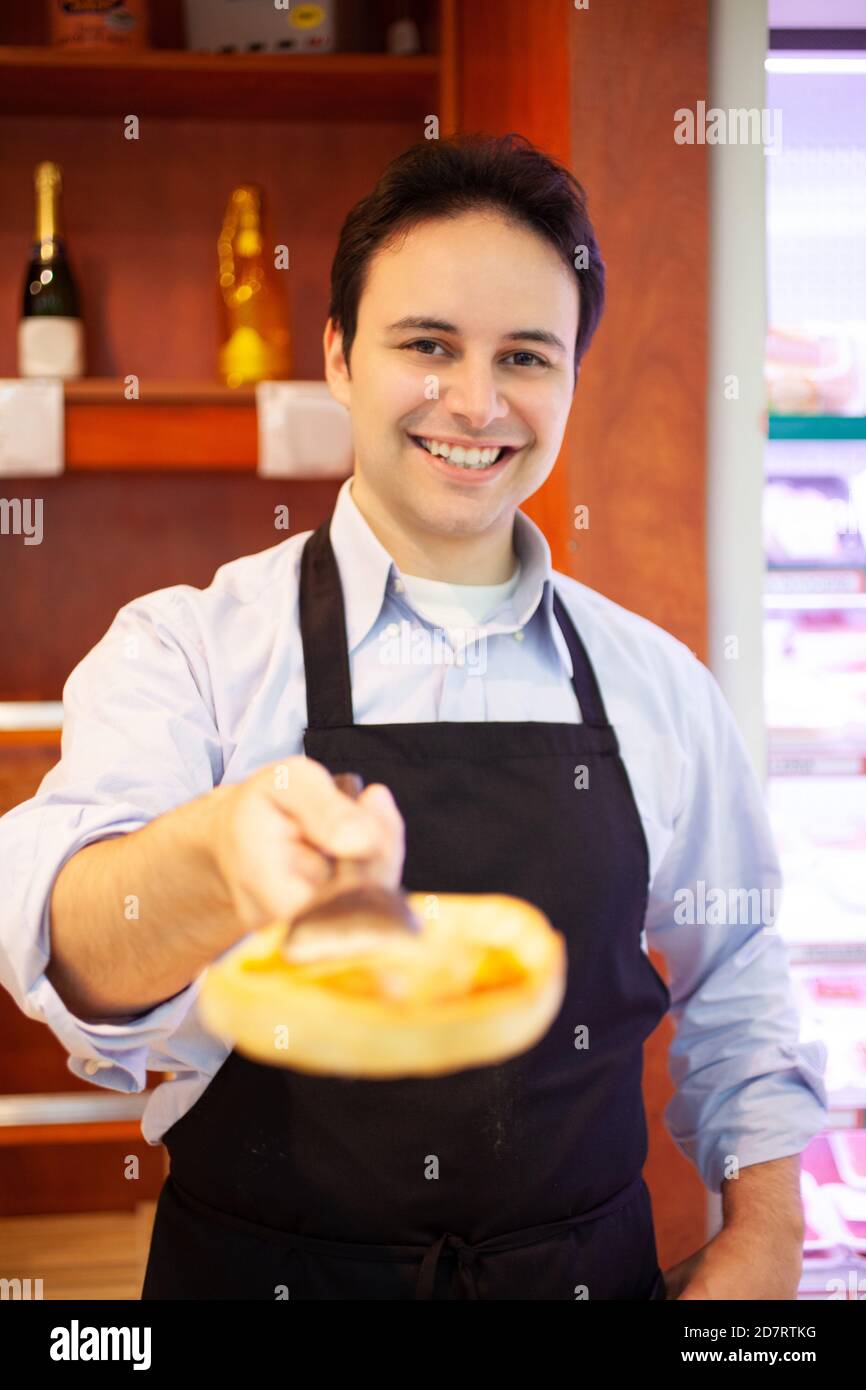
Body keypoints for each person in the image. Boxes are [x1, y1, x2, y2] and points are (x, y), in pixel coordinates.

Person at [0, 133, 826, 1301]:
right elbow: (72, 954)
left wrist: (764, 1235)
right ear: (337, 355)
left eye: (525, 356)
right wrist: (220, 856)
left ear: (569, 381)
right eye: (426, 345)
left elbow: (734, 967)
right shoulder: (189, 649)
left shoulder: (657, 683)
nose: (475, 403)